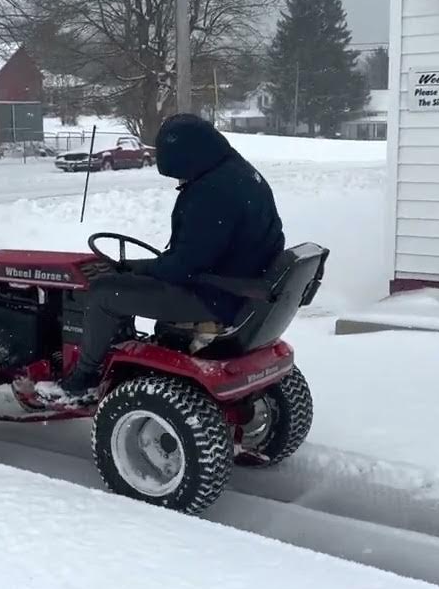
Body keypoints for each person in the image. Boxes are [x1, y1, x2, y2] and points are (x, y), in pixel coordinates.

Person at [36, 113, 285, 406]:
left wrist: (140, 268)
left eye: (178, 172)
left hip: (212, 295)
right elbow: (201, 253)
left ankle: (82, 380)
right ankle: (111, 352)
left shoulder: (211, 193)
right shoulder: (238, 172)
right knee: (125, 284)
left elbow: (183, 267)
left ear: (187, 157)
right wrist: (145, 268)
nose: (178, 179)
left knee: (103, 292)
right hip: (239, 286)